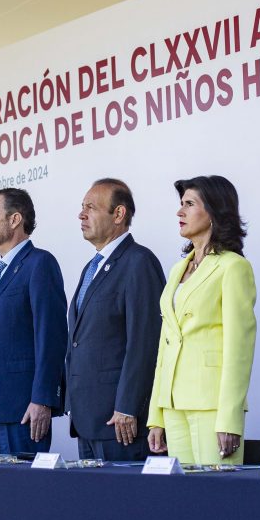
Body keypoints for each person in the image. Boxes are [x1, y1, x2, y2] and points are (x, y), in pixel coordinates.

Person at [147, 176, 256, 465]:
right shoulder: (176, 270)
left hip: (212, 405)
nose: (179, 212)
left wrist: (230, 417)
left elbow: (240, 348)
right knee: (184, 501)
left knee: (220, 500)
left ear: (214, 212)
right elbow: (165, 345)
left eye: (189, 204)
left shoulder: (234, 266)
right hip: (172, 404)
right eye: (180, 204)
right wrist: (156, 414)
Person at [66, 178, 165, 461]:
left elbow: (145, 342)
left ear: (119, 214)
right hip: (87, 420)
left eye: (91, 208)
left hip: (120, 421)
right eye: (81, 207)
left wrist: (128, 406)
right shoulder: (90, 267)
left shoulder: (138, 262)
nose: (81, 215)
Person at [0, 188, 67, 455]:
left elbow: (52, 337)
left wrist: (42, 398)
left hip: (23, 408)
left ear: (15, 220)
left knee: (23, 494)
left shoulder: (40, 264)